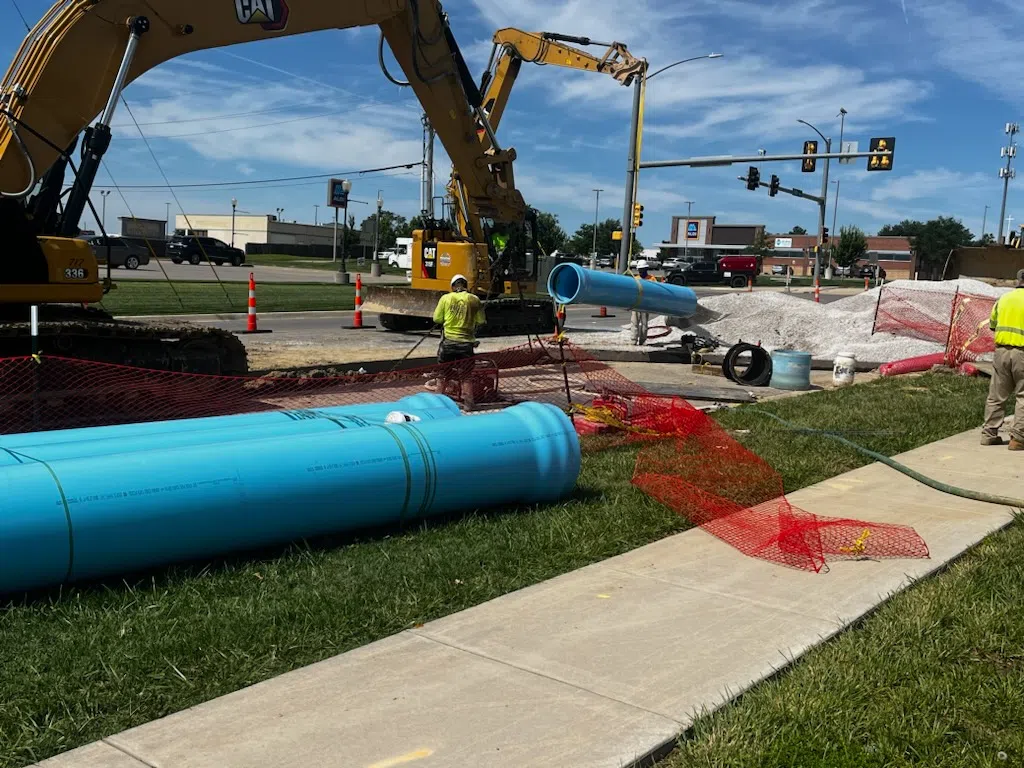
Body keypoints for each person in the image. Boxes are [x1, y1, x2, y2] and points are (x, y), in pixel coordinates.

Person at [981, 268, 1024, 449]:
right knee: (1023, 396)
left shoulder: (1003, 299)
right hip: (1022, 353)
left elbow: (992, 325)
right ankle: (1018, 439)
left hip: (1001, 352)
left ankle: (989, 434)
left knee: (996, 395)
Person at [630, 259, 660, 346]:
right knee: (634, 323)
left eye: (642, 270)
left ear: (646, 269)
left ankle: (642, 341)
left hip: (645, 304)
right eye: (640, 270)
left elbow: (656, 290)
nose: (641, 271)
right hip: (636, 304)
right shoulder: (635, 279)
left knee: (644, 324)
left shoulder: (651, 279)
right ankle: (633, 340)